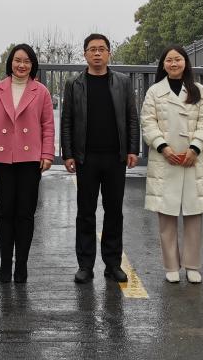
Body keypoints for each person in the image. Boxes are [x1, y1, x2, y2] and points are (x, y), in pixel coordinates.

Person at [61, 33, 139, 284]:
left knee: (114, 211)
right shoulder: (75, 84)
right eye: (92, 49)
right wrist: (68, 153)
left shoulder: (122, 82)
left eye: (102, 49)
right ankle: (85, 265)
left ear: (109, 53)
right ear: (84, 54)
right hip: (86, 158)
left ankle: (113, 264)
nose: (97, 53)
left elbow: (131, 117)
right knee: (86, 212)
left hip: (115, 157)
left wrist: (132, 149)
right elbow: (67, 120)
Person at [0, 43, 55, 284]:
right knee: (6, 211)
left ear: (32, 65)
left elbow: (47, 125)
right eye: (17, 60)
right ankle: (5, 263)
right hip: (3, 158)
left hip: (30, 159)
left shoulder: (41, 91)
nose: (21, 65)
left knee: (25, 213)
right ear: (10, 63)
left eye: (26, 61)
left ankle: (21, 264)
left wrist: (47, 154)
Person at [140, 45, 203, 284]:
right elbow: (148, 122)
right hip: (165, 159)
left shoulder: (198, 90)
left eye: (178, 59)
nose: (173, 64)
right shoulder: (154, 91)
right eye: (169, 60)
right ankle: (171, 265)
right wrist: (163, 147)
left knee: (194, 214)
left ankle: (192, 265)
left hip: (193, 159)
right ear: (163, 64)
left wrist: (195, 148)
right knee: (166, 214)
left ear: (185, 62)